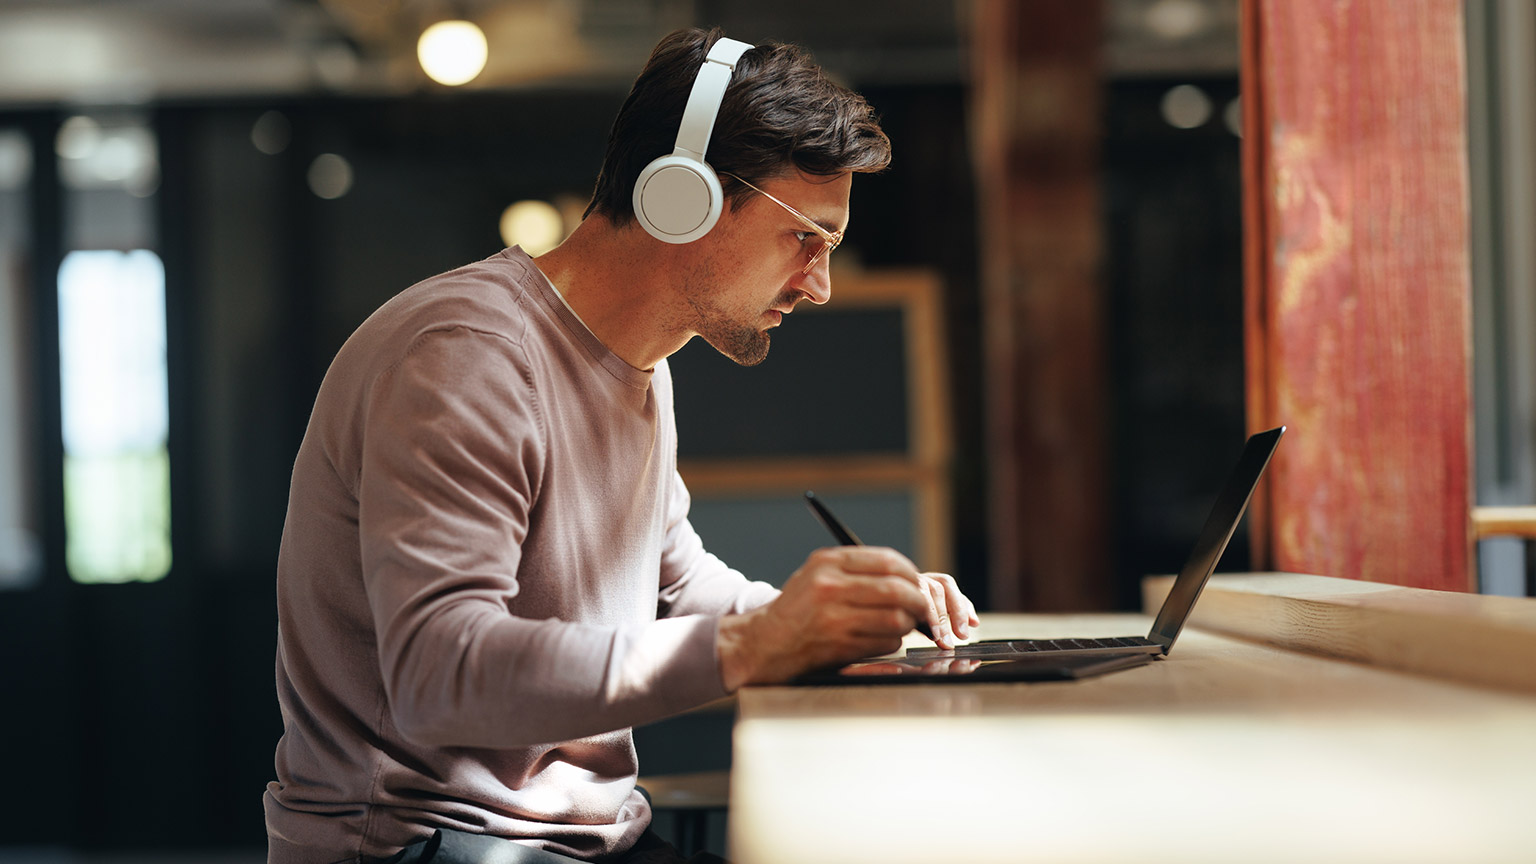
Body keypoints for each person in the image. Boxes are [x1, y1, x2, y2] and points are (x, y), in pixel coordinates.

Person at [264, 25, 979, 864]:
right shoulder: (466, 358)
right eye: (805, 238)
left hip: (573, 840)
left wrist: (834, 624)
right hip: (431, 843)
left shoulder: (640, 365)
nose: (819, 285)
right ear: (684, 197)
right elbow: (440, 674)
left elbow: (675, 580)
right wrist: (758, 645)